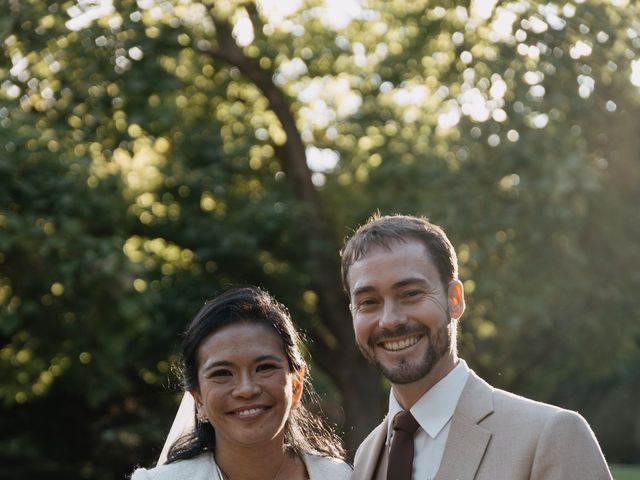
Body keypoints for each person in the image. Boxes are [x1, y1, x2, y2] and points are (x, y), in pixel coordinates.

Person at [340, 213, 612, 480]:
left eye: (411, 294)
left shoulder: (551, 436)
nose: (390, 321)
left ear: (455, 299)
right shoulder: (366, 457)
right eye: (369, 302)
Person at [131, 286, 351, 480]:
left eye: (264, 368)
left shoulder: (343, 477)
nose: (246, 389)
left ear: (296, 385)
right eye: (222, 373)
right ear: (197, 397)